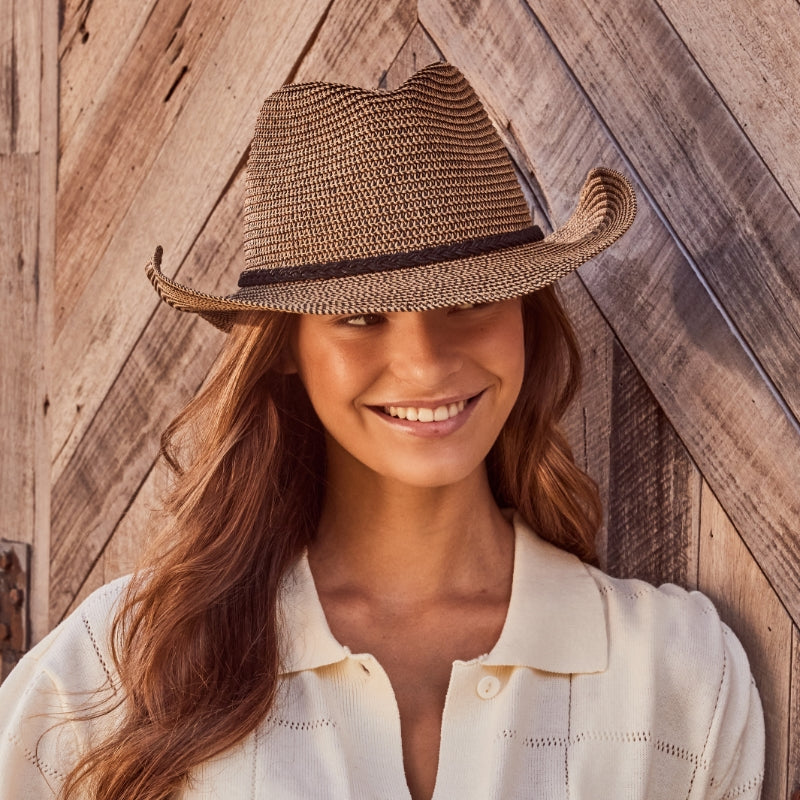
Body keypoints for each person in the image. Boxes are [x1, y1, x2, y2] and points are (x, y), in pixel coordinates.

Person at [0, 62, 763, 800]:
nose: (426, 365)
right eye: (361, 318)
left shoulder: (678, 676)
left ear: (527, 314)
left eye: (468, 302)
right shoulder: (119, 664)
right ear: (290, 349)